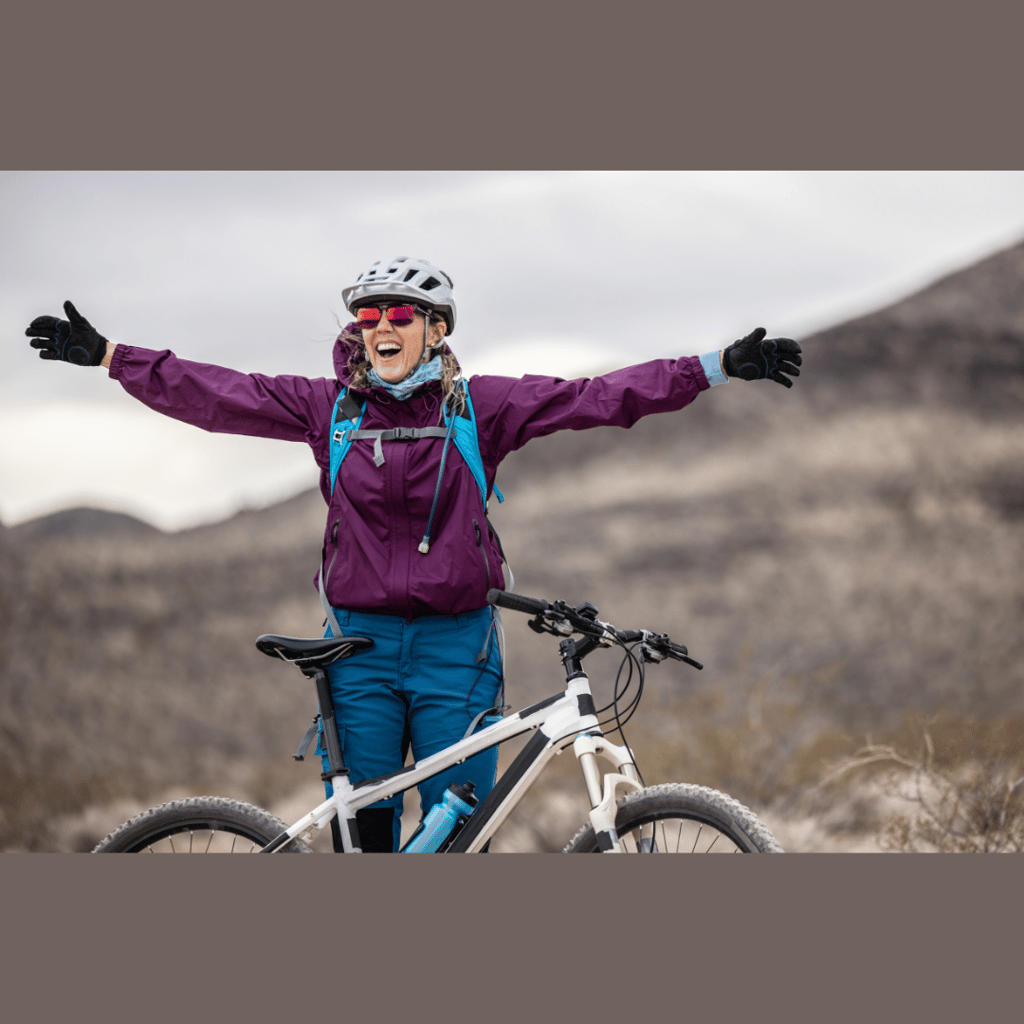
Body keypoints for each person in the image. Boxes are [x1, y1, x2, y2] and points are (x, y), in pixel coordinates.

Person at [25, 255, 802, 852]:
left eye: (400, 312)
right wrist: (109, 355)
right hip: (357, 650)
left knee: (458, 835)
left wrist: (712, 367)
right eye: (368, 316)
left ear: (436, 329)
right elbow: (214, 393)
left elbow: (596, 397)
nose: (380, 326)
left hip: (455, 649)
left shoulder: (482, 407)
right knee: (368, 835)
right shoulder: (324, 409)